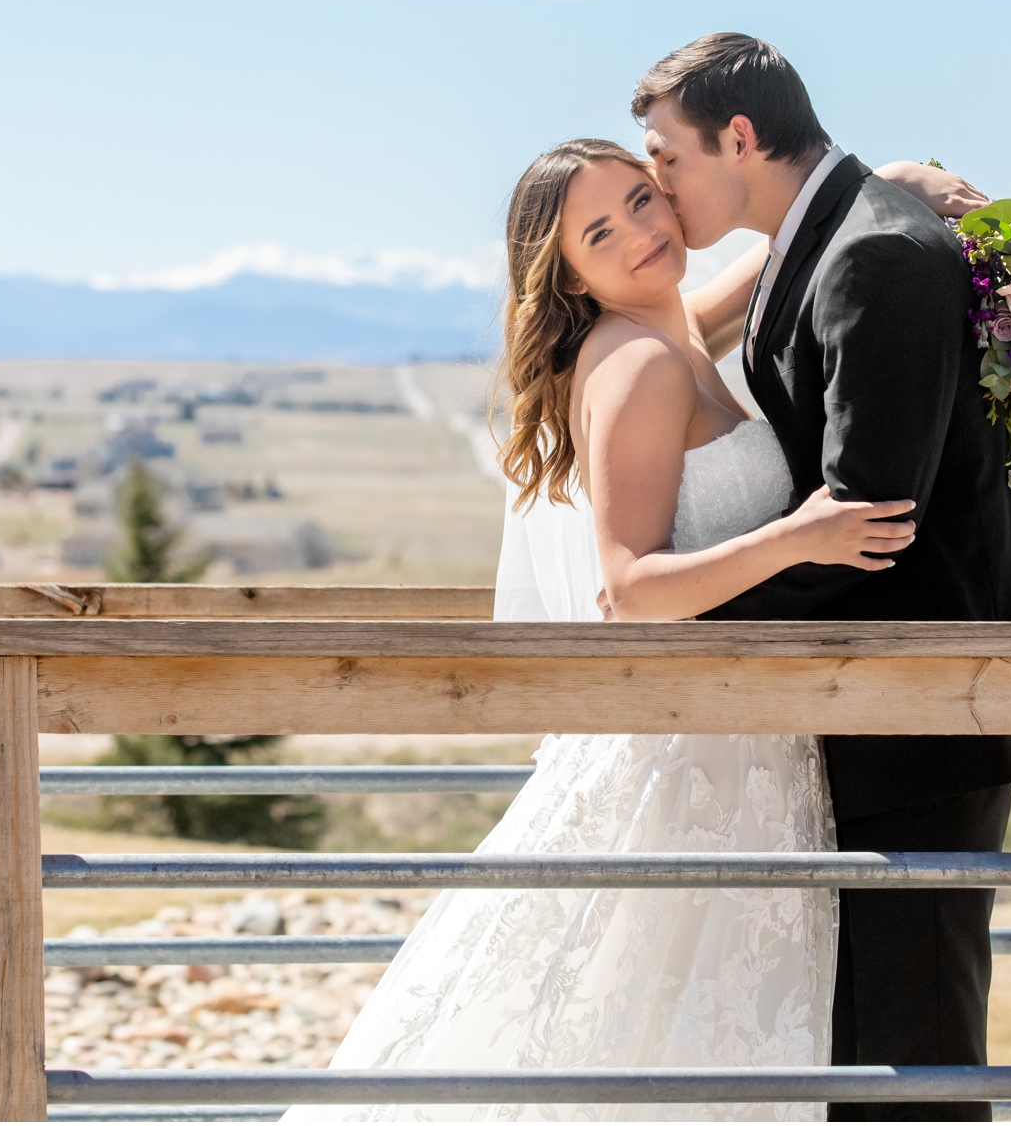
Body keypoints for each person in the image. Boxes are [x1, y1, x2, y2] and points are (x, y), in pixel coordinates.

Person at [288, 136, 975, 1123]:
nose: (643, 233)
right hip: (692, 767)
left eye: (644, 200)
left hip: (742, 751)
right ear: (567, 273)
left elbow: (767, 271)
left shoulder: (666, 328)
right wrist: (798, 536)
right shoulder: (636, 368)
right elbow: (629, 588)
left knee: (690, 1033)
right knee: (652, 1032)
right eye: (600, 232)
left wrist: (886, 189)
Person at [634, 32, 1011, 1122]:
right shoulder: (842, 227)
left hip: (923, 718)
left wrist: (689, 612)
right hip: (872, 708)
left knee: (911, 1056)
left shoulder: (875, 256)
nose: (658, 184)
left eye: (666, 156)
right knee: (867, 1047)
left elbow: (869, 519)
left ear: (738, 137)